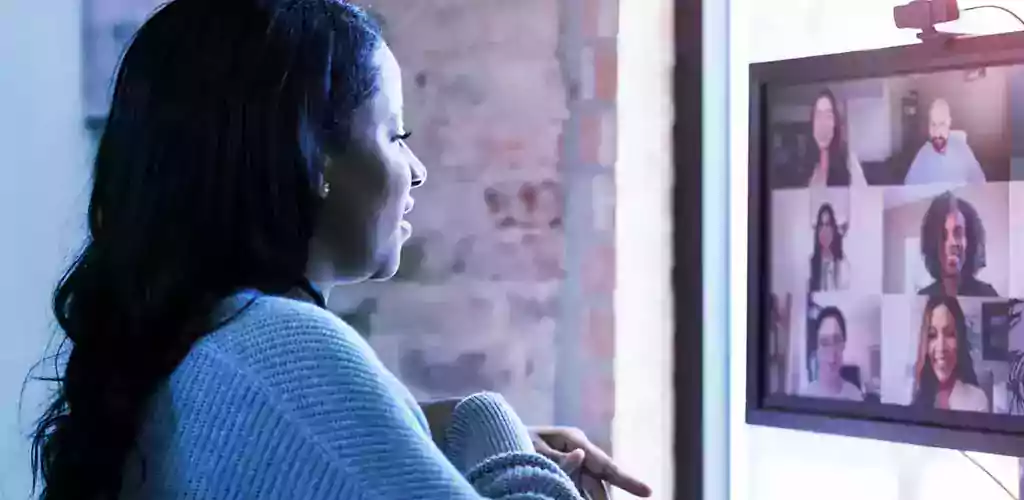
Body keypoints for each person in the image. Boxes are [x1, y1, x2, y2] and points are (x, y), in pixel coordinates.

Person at [27, 1, 651, 499]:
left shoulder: (197, 343)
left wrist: (422, 428)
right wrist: (487, 425)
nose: (417, 169)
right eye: (395, 133)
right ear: (314, 156)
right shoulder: (278, 343)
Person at [912, 296, 989, 412]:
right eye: (932, 335)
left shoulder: (978, 400)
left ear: (960, 341)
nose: (941, 347)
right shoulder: (916, 396)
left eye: (949, 334)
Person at [917, 192, 998, 297]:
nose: (952, 243)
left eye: (958, 233)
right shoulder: (923, 298)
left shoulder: (988, 295)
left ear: (970, 240)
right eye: (943, 236)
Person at [904, 98, 987, 185]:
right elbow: (909, 187)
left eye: (942, 124)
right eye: (933, 124)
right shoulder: (923, 154)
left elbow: (980, 182)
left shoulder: (963, 150)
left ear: (949, 123)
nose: (937, 131)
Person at [805, 89, 867, 187]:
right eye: (818, 116)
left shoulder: (848, 157)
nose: (823, 123)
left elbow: (863, 193)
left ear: (835, 123)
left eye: (828, 116)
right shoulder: (801, 162)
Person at [802, 307, 864, 401]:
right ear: (816, 348)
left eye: (837, 341)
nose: (831, 357)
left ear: (844, 345)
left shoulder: (856, 398)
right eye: (824, 343)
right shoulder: (804, 399)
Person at [809, 203, 850, 292]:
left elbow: (838, 242)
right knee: (823, 284)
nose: (825, 217)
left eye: (827, 214)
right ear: (820, 216)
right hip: (822, 260)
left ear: (830, 216)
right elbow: (817, 246)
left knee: (834, 284)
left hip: (833, 260)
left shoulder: (834, 229)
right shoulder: (818, 230)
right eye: (823, 215)